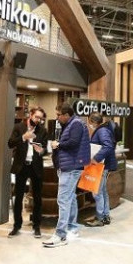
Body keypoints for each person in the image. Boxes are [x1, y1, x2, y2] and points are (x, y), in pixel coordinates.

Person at [43, 102, 90, 248]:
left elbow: (73, 143)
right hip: (69, 166)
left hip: (70, 167)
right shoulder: (72, 124)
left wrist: (58, 145)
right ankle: (72, 228)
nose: (57, 118)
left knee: (63, 200)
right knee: (70, 198)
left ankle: (61, 235)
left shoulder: (75, 124)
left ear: (67, 115)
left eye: (59, 115)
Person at [7, 106, 48, 238]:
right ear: (30, 114)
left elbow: (45, 150)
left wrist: (41, 151)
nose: (38, 120)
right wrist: (23, 137)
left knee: (37, 198)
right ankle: (16, 225)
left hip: (36, 167)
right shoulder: (19, 127)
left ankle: (36, 226)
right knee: (18, 196)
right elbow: (10, 143)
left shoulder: (43, 130)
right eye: (36, 117)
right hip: (22, 166)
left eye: (40, 118)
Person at [85, 112, 117, 227]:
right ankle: (105, 216)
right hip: (104, 166)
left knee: (97, 193)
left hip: (101, 166)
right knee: (102, 191)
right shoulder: (103, 129)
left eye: (89, 122)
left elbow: (107, 146)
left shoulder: (102, 131)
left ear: (93, 121)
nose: (89, 124)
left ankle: (100, 218)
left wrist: (96, 158)